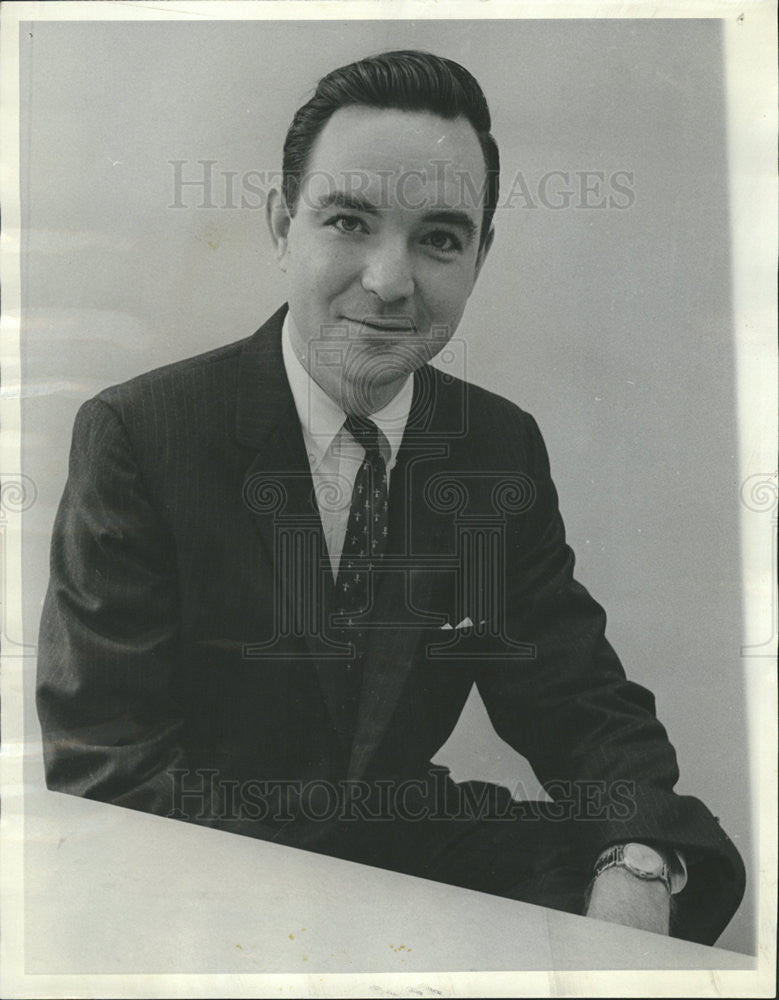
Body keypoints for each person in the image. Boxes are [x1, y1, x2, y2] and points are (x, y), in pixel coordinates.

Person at [37, 49, 744, 945]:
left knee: (673, 859)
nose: (388, 281)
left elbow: (576, 702)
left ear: (479, 257)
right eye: (348, 221)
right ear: (280, 225)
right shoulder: (142, 433)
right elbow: (107, 769)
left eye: (438, 239)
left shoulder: (492, 447)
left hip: (401, 835)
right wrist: (349, 922)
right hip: (202, 868)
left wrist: (635, 859)